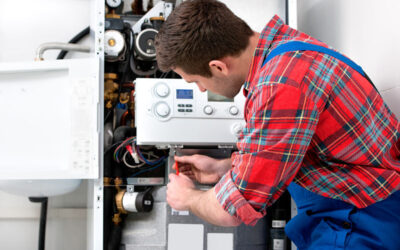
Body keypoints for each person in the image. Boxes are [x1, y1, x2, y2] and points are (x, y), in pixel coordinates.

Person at [155, 0, 400, 249]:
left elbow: (229, 211)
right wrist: (223, 168)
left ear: (218, 67)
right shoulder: (287, 48)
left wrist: (186, 197)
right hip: (356, 206)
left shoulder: (280, 86)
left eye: (195, 81)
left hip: (361, 221)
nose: (201, 89)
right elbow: (288, 148)